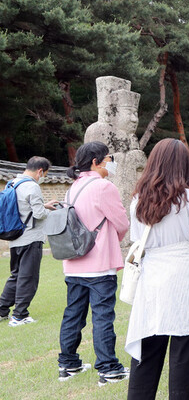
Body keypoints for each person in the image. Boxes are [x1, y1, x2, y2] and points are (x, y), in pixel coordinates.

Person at [123, 139, 189, 399]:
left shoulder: (138, 199)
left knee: (148, 345)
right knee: (185, 349)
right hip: (183, 275)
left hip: (152, 276)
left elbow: (138, 239)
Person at [57, 141, 131, 385]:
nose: (112, 162)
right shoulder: (103, 186)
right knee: (102, 316)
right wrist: (111, 239)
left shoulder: (73, 187)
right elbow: (121, 222)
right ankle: (109, 368)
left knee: (73, 315)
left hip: (74, 262)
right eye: (109, 158)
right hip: (99, 263)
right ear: (96, 162)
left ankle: (68, 364)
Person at [1, 156, 57, 326]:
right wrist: (53, 213)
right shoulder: (32, 186)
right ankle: (20, 316)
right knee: (28, 277)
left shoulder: (12, 183)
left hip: (15, 237)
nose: (43, 178)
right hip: (31, 238)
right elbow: (39, 214)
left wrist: (43, 205)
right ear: (40, 171)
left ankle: (2, 310)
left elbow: (24, 207)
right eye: (44, 174)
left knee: (15, 276)